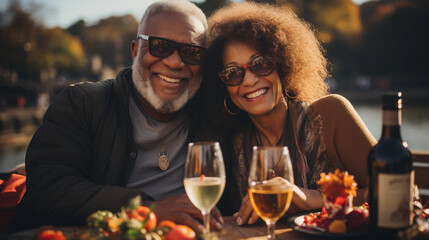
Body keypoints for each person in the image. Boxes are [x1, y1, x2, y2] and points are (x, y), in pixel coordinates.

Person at [10, 0, 224, 233]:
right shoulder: (82, 102)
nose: (175, 62)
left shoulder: (215, 115)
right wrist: (146, 209)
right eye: (160, 46)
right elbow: (48, 190)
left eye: (192, 52)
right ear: (135, 51)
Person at [201, 2, 377, 225]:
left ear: (283, 63)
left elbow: (399, 192)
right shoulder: (234, 147)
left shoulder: (331, 115)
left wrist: (312, 197)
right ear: (222, 86)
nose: (250, 80)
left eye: (260, 63)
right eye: (233, 73)